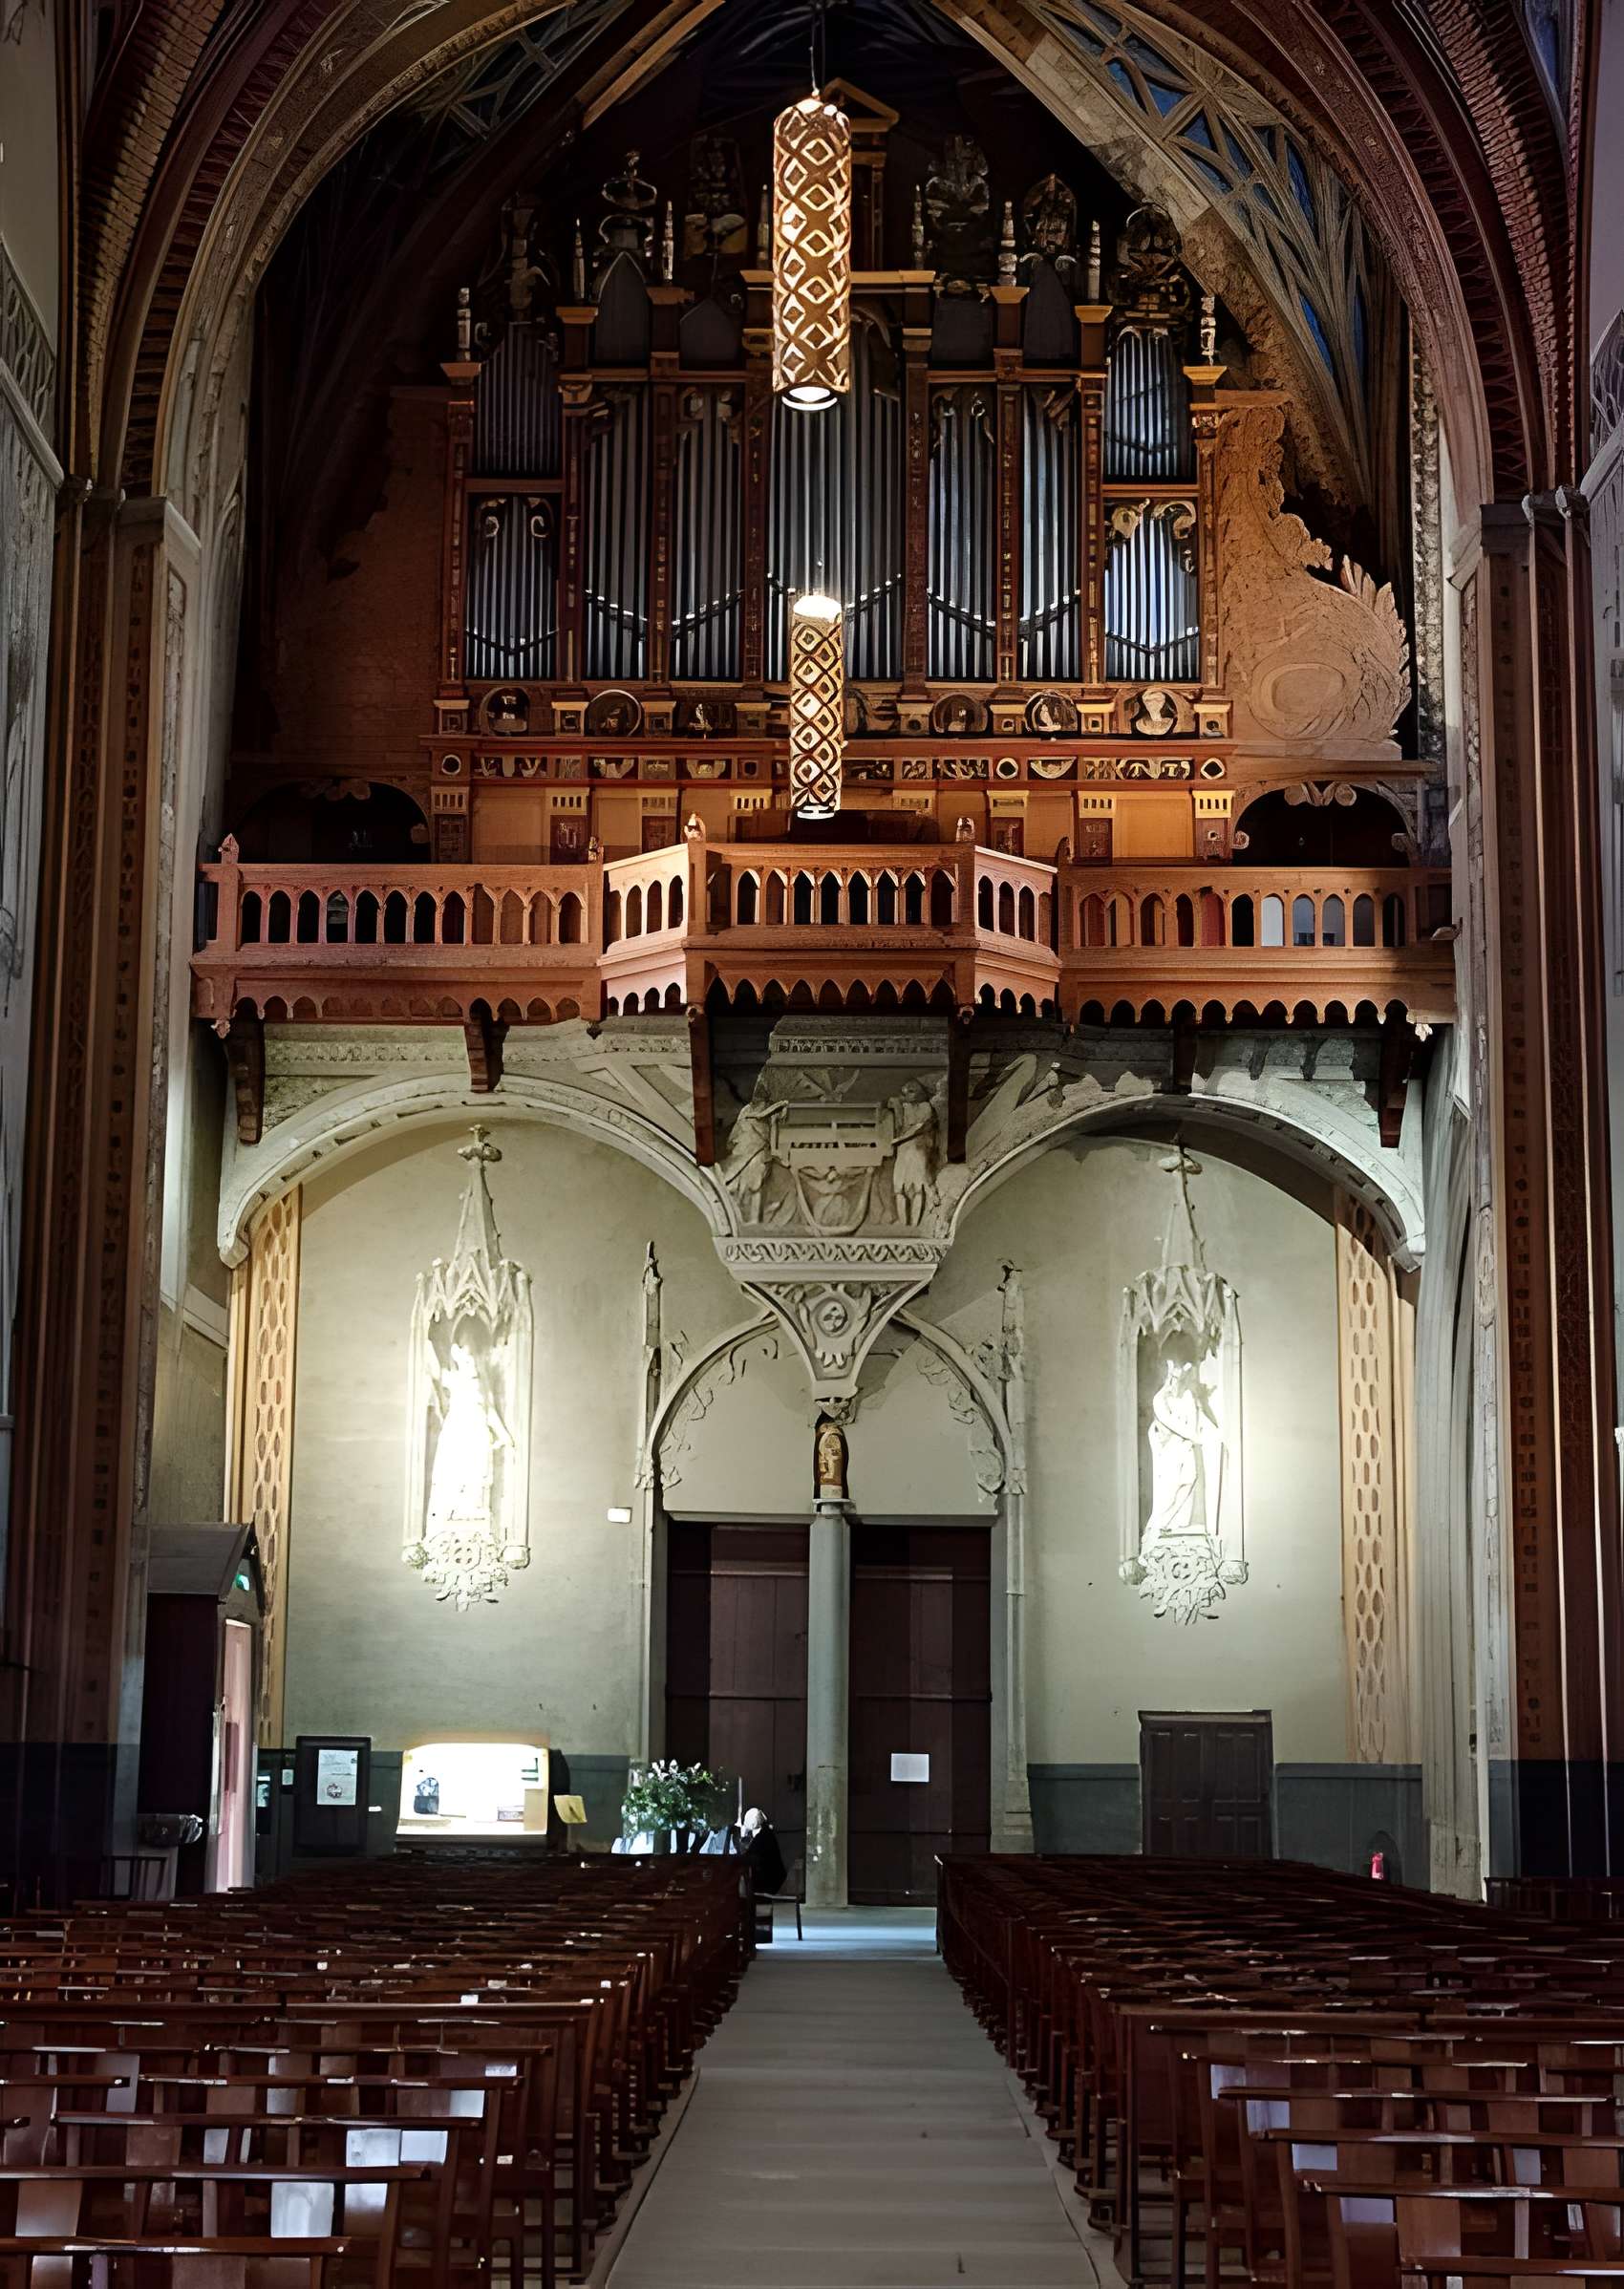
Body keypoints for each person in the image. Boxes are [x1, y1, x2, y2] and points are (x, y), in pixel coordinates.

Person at [737, 1805, 786, 1896]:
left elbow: (749, 1857)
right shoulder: (767, 1834)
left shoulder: (762, 1837)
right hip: (773, 1881)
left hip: (769, 1883)